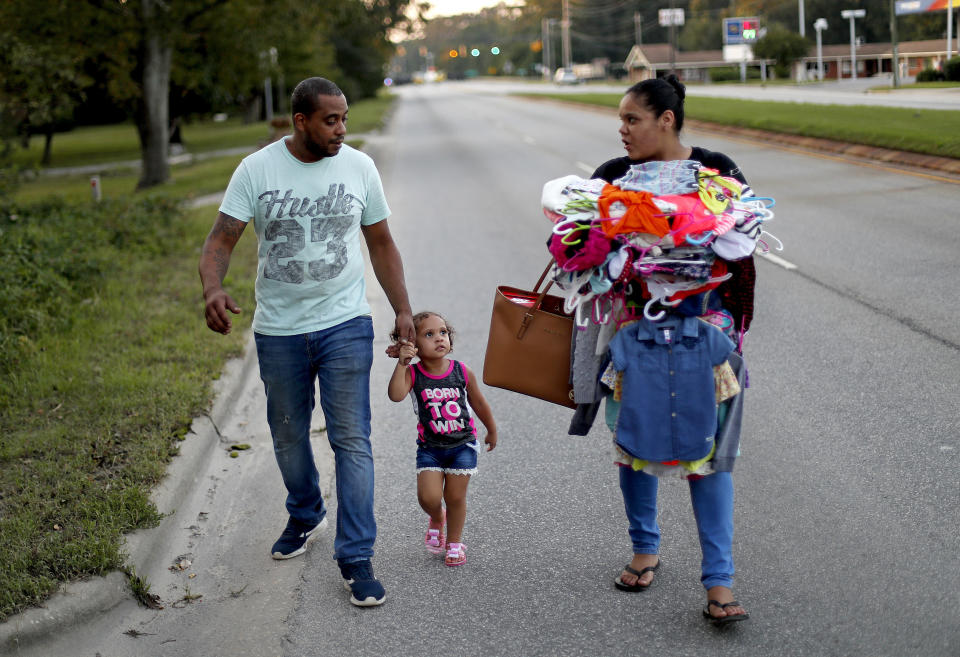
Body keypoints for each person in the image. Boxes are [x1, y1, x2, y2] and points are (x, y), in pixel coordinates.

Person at [198, 76, 414, 608]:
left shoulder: (359, 167)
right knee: (289, 436)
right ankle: (305, 511)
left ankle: (357, 555)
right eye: (330, 120)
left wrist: (403, 309)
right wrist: (213, 289)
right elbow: (221, 239)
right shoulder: (257, 169)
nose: (342, 129)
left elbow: (381, 242)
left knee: (352, 439)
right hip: (279, 330)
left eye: (344, 118)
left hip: (345, 323)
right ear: (301, 122)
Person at [591, 74, 752, 626]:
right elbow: (585, 254)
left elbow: (743, 250)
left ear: (666, 119)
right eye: (621, 120)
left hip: (704, 333)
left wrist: (734, 330)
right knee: (633, 443)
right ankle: (645, 547)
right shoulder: (613, 178)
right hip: (636, 334)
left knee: (708, 455)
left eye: (632, 119)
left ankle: (720, 583)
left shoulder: (716, 171)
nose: (622, 130)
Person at [387, 312, 497, 567]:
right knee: (428, 497)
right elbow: (395, 395)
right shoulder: (413, 374)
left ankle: (455, 543)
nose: (439, 338)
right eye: (429, 334)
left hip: (462, 445)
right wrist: (402, 363)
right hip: (431, 449)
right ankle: (437, 517)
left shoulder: (461, 371)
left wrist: (491, 429)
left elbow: (478, 402)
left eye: (443, 332)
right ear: (413, 345)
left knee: (456, 497)